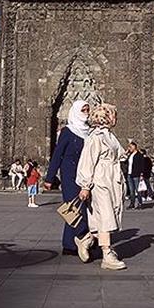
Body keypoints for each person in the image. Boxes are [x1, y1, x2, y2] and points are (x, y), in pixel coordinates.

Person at [77, 103, 128, 271]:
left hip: (112, 179)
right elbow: (87, 162)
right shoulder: (95, 137)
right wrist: (85, 186)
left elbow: (117, 154)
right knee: (106, 216)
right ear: (105, 117)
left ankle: (86, 240)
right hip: (100, 181)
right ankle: (107, 254)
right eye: (113, 115)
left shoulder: (109, 136)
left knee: (109, 214)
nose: (116, 118)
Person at [43, 101, 93, 260]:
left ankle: (69, 244)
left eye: (87, 109)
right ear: (76, 111)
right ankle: (84, 235)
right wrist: (50, 178)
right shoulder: (68, 132)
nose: (86, 112)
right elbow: (57, 154)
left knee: (78, 207)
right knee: (74, 207)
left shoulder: (89, 132)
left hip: (85, 175)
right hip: (70, 175)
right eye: (83, 110)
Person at [123, 141, 147, 209]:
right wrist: (126, 154)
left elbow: (142, 165)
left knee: (137, 189)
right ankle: (132, 203)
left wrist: (142, 174)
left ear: (134, 147)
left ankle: (140, 203)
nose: (129, 148)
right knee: (131, 190)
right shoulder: (130, 155)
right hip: (129, 174)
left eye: (130, 147)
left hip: (136, 174)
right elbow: (124, 162)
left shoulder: (139, 155)